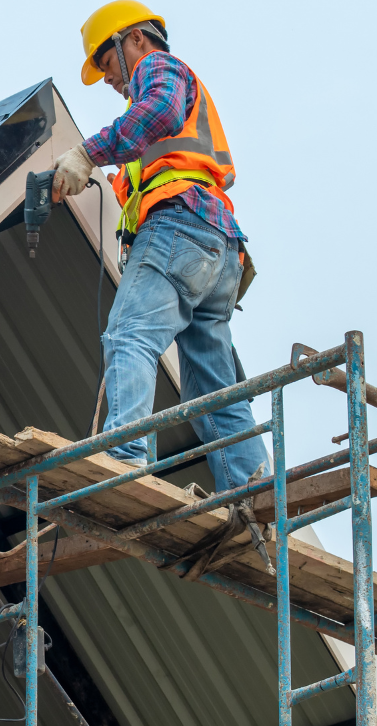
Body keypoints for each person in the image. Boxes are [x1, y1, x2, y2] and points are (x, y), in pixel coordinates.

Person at [51, 1, 267, 492]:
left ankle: (126, 458)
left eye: (106, 63)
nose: (108, 78)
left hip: (181, 229)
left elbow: (159, 111)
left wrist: (86, 152)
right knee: (211, 386)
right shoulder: (157, 132)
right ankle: (254, 487)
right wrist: (99, 174)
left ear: (135, 41)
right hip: (217, 250)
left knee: (130, 334)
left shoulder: (160, 69)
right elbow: (153, 154)